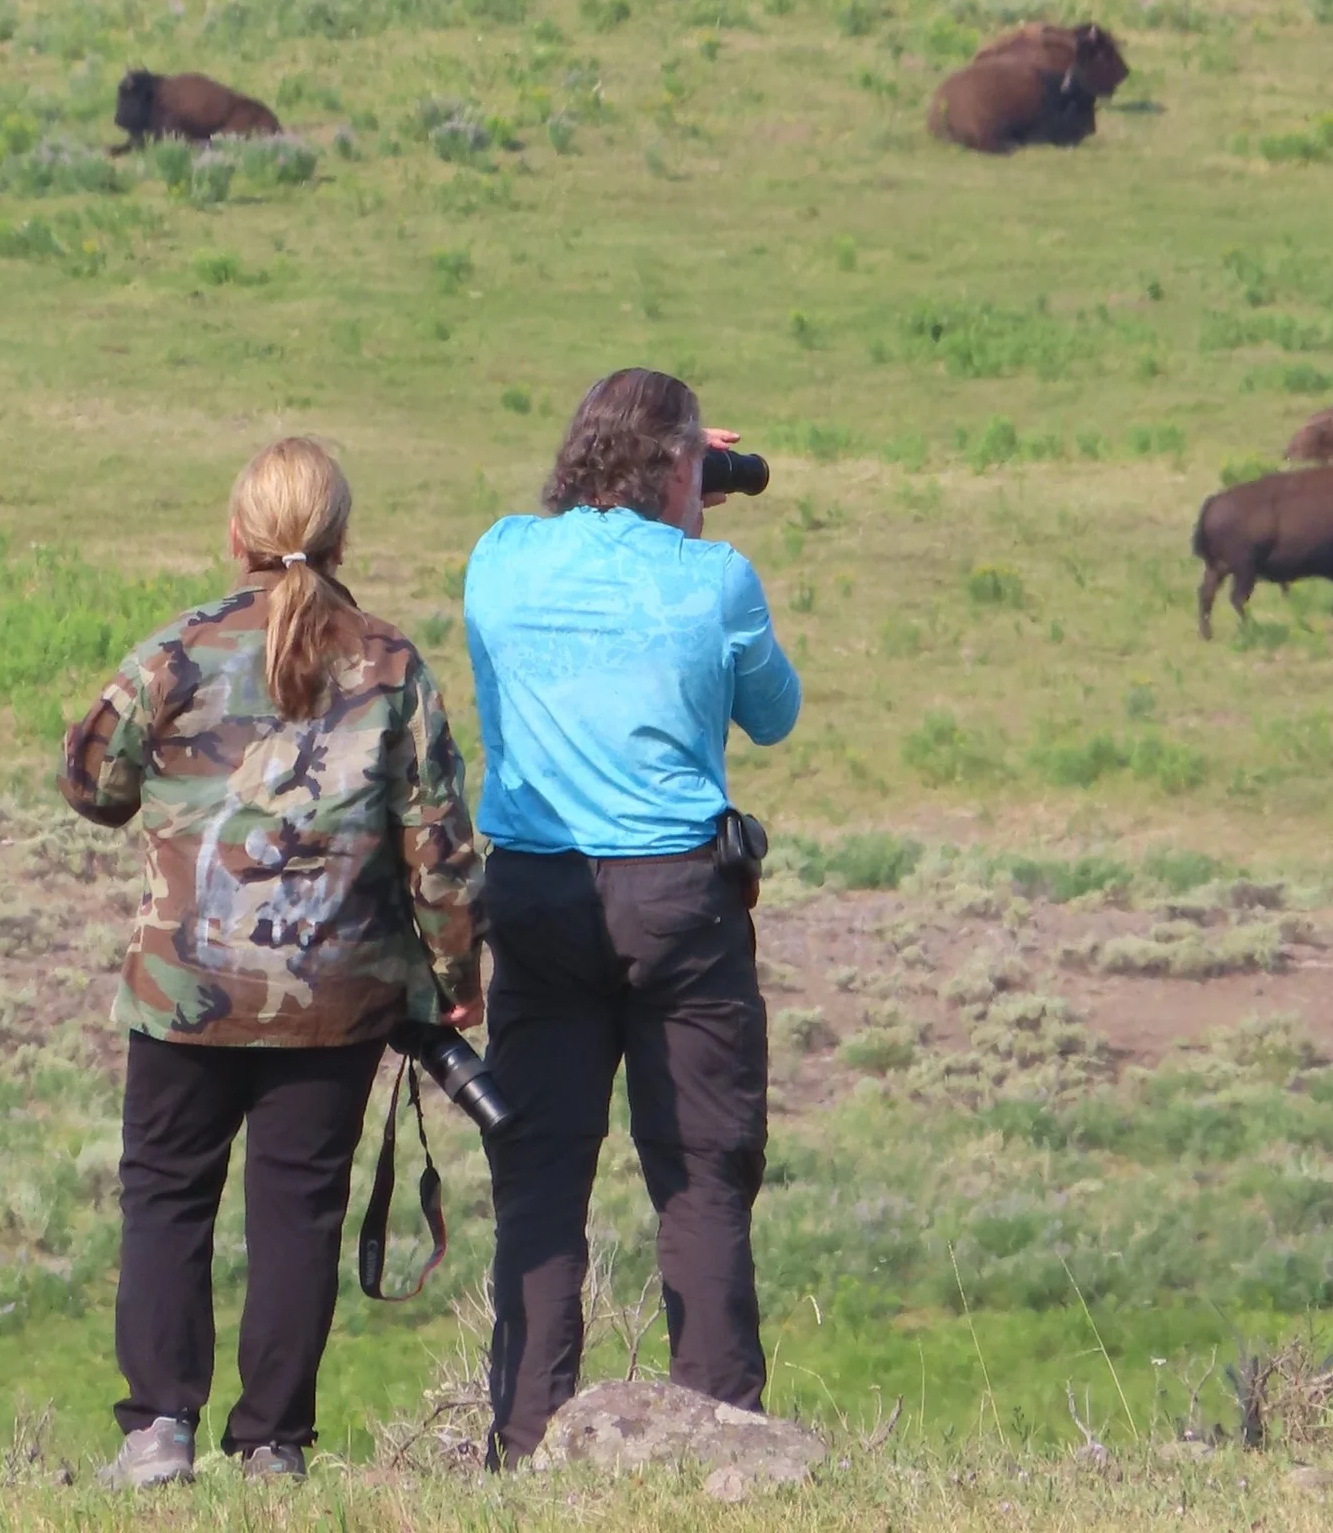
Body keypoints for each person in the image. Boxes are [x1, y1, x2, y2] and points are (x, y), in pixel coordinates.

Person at [61, 437, 484, 1489]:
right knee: (298, 1208)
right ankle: (272, 1446)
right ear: (340, 537)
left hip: (183, 989)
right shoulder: (390, 664)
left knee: (166, 1193)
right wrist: (456, 977)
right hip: (334, 997)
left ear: (238, 534)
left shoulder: (174, 652)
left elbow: (88, 780)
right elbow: (436, 843)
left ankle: (158, 1430)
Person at [461, 368, 803, 1465]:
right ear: (675, 467)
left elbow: (566, 531)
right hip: (678, 902)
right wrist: (695, 513)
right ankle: (723, 1441)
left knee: (541, 1176)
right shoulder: (715, 578)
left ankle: (525, 1447)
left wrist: (669, 469)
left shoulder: (500, 559)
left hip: (538, 892)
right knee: (702, 1174)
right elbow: (774, 713)